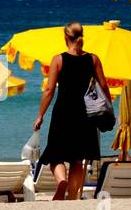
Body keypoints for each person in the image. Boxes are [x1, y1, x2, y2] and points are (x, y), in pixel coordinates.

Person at [33, 21, 109, 200]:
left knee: (55, 155)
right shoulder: (93, 59)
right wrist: (108, 108)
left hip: (63, 112)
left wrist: (40, 115)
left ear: (66, 37)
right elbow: (104, 86)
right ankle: (73, 196)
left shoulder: (58, 60)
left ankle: (61, 180)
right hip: (85, 114)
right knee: (78, 159)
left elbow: (49, 91)